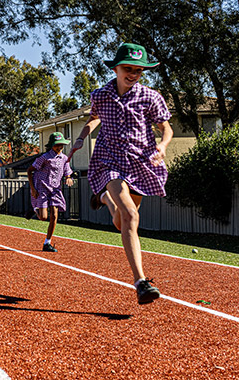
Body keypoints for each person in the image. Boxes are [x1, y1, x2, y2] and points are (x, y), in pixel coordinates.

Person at [69, 42, 173, 305]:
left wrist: (163, 145)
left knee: (122, 221)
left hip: (141, 162)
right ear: (116, 68)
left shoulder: (150, 97)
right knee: (130, 214)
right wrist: (82, 137)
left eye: (139, 70)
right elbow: (94, 118)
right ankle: (141, 282)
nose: (133, 74)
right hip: (110, 159)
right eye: (128, 68)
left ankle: (104, 199)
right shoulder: (101, 95)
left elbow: (166, 128)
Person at [27, 132, 74, 252]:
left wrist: (68, 178)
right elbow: (30, 170)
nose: (59, 147)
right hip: (42, 188)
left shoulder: (64, 159)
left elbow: (67, 172)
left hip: (55, 190)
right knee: (43, 217)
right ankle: (35, 209)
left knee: (54, 215)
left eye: (61, 145)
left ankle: (47, 243)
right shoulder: (45, 157)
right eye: (57, 145)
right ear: (52, 145)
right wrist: (33, 188)